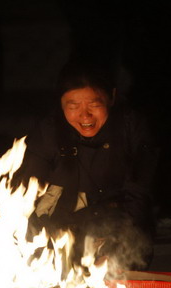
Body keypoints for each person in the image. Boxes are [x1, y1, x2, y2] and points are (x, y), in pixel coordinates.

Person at [17, 61, 160, 272]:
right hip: (65, 231)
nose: (85, 116)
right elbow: (30, 194)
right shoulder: (48, 132)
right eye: (73, 106)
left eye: (94, 105)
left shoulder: (132, 128)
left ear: (111, 97)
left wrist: (117, 243)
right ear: (61, 104)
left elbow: (139, 192)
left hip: (121, 228)